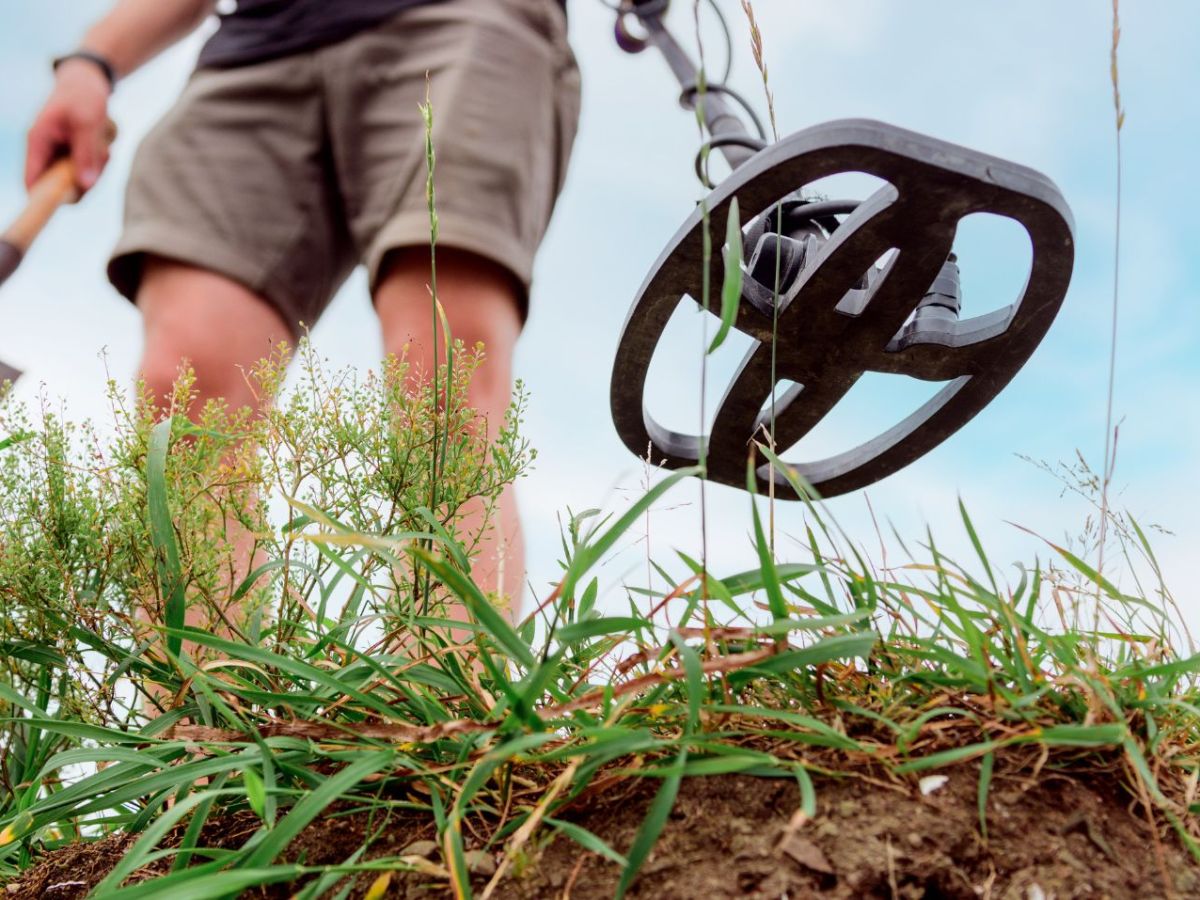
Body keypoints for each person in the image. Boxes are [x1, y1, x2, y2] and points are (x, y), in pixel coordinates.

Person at [25, 0, 581, 609]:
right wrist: (91, 63)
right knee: (182, 400)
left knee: (444, 381)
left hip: (460, 19)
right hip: (257, 49)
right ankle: (193, 699)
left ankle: (454, 694)